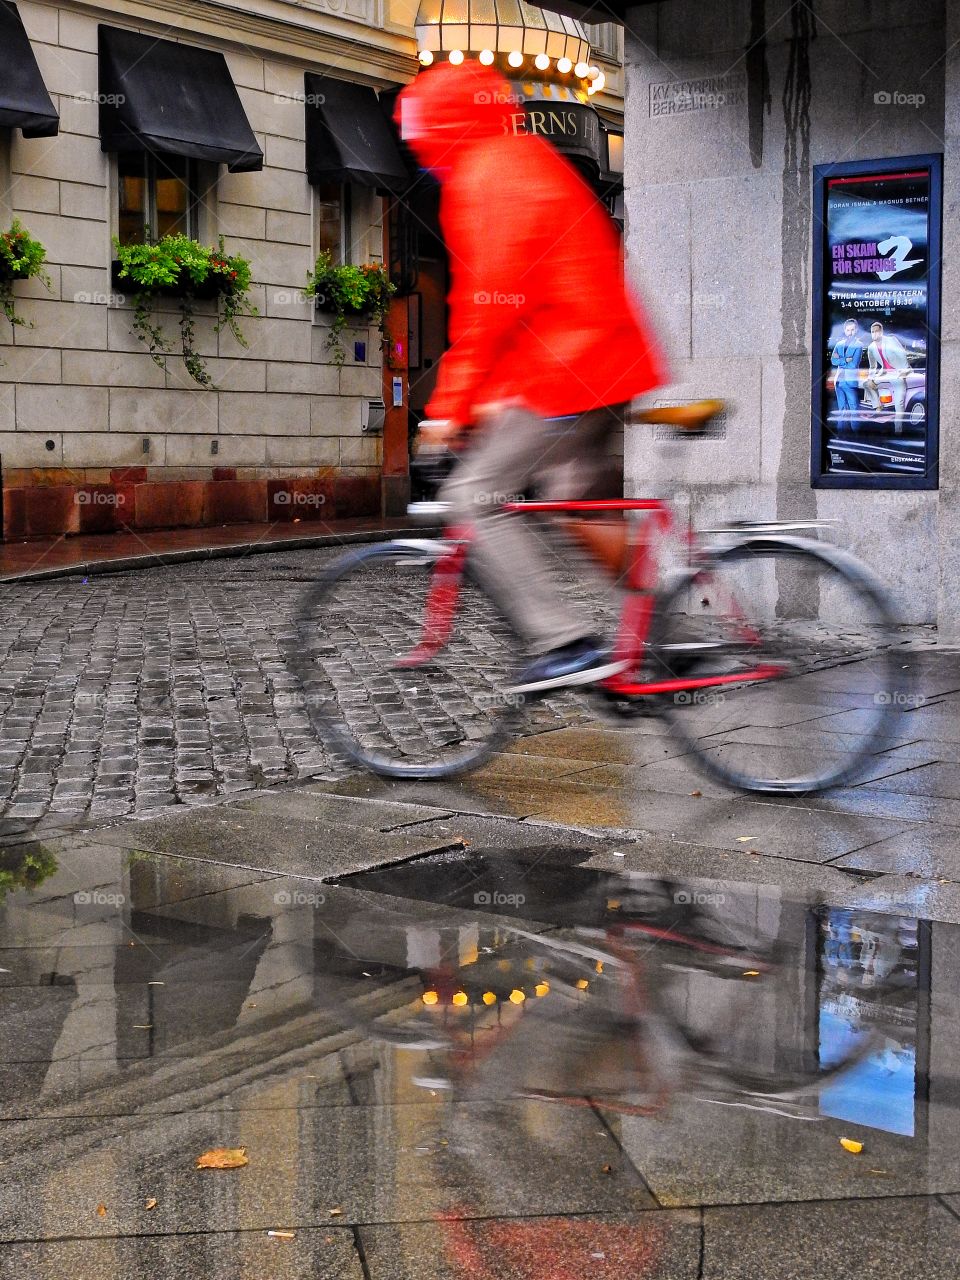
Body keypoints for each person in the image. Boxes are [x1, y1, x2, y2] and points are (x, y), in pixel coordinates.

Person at [395, 61, 666, 693]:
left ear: (445, 126)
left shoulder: (487, 175)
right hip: (601, 360)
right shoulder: (525, 157)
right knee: (578, 502)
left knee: (472, 499)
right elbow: (531, 300)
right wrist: (488, 401)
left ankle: (565, 640)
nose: (420, 155)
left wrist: (447, 411)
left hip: (569, 369)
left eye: (422, 138)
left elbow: (490, 307)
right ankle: (663, 635)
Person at [864, 321, 910, 430]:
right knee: (866, 384)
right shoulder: (871, 347)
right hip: (885, 373)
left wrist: (904, 371)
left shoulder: (891, 340)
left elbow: (902, 354)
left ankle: (898, 430)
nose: (874, 334)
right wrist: (871, 378)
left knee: (899, 404)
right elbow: (872, 366)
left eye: (877, 331)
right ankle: (878, 406)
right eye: (872, 332)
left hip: (898, 373)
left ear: (881, 332)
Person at [830, 318, 863, 418]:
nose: (850, 333)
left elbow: (853, 365)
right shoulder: (839, 344)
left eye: (852, 330)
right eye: (848, 330)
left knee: (854, 410)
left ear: (856, 330)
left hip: (850, 382)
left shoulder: (859, 345)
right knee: (842, 410)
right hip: (839, 381)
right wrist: (845, 360)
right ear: (845, 331)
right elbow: (833, 360)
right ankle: (841, 432)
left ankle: (855, 433)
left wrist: (840, 360)